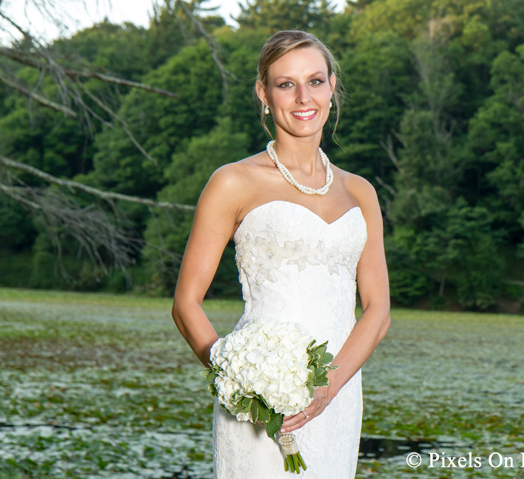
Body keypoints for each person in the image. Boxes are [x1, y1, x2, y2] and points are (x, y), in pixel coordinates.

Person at [171, 30, 391, 478]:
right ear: (264, 93)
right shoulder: (233, 182)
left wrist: (328, 388)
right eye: (286, 84)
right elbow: (185, 304)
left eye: (315, 81)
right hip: (259, 406)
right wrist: (238, 380)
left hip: (339, 395)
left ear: (332, 87)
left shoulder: (360, 192)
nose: (302, 96)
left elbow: (378, 310)